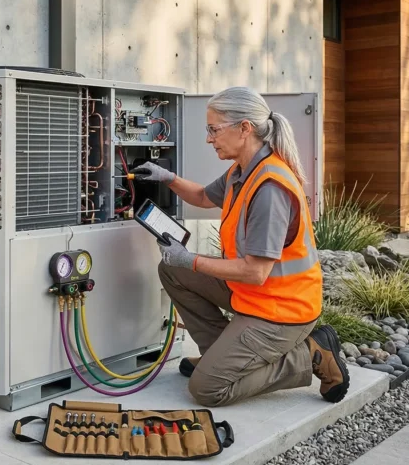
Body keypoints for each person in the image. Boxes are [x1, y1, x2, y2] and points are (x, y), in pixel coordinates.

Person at [131, 86, 348, 407]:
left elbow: (255, 272)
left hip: (281, 310)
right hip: (253, 295)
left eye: (214, 129)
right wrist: (167, 178)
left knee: (207, 389)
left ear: (244, 128)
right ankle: (220, 357)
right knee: (171, 270)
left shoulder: (270, 189)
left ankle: (309, 355)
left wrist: (189, 259)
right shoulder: (242, 171)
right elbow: (204, 197)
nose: (208, 138)